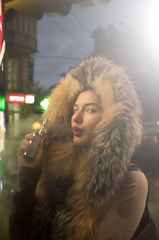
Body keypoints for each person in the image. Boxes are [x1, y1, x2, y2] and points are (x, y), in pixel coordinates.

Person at [9, 57, 158, 240]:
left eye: (90, 110)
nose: (76, 118)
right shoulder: (58, 175)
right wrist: (28, 173)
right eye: (75, 109)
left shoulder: (131, 181)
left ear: (112, 120)